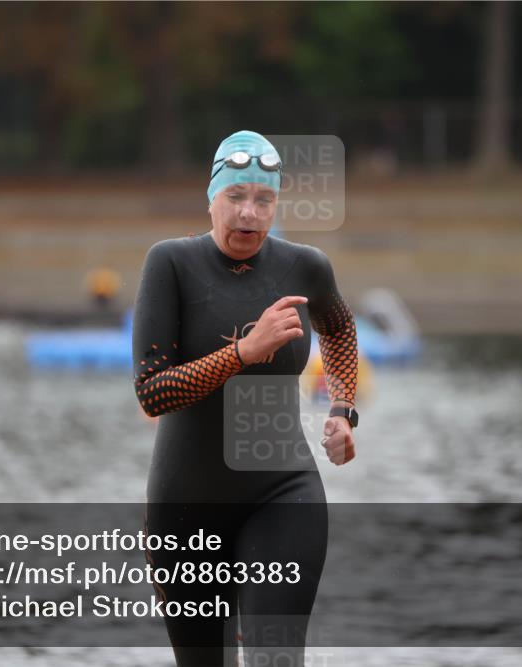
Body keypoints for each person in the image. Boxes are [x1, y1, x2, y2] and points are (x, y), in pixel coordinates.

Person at [132, 130, 359, 666]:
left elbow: (341, 332)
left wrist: (343, 410)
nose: (249, 215)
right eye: (236, 198)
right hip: (184, 506)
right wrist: (244, 352)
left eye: (264, 200)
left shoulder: (305, 267)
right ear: (211, 198)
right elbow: (152, 393)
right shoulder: (171, 265)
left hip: (282, 491)